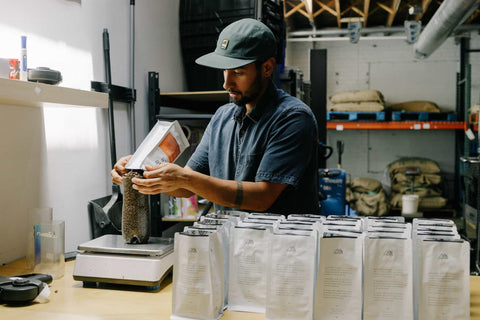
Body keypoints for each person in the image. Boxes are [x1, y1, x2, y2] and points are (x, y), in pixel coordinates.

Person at [112, 18, 320, 215]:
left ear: (266, 68)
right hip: (231, 242)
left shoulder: (292, 118)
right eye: (225, 72)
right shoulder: (223, 117)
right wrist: (139, 173)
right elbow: (185, 188)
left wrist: (185, 178)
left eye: (238, 72)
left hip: (280, 245)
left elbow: (262, 197)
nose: (226, 84)